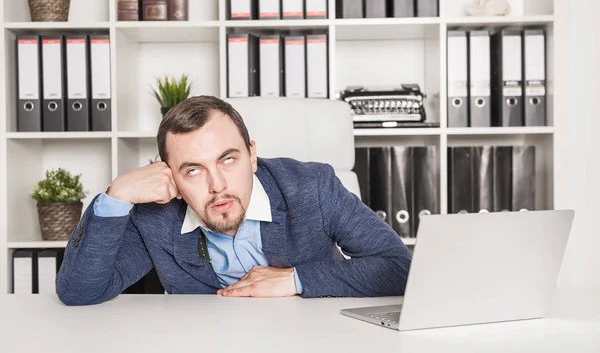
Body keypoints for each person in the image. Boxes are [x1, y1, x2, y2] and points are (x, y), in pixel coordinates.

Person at [56, 96, 412, 306]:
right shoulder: (156, 216)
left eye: (228, 160)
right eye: (193, 170)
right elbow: (80, 291)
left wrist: (296, 280)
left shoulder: (311, 187)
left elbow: (398, 267)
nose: (217, 186)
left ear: (252, 155)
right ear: (170, 176)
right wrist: (115, 197)